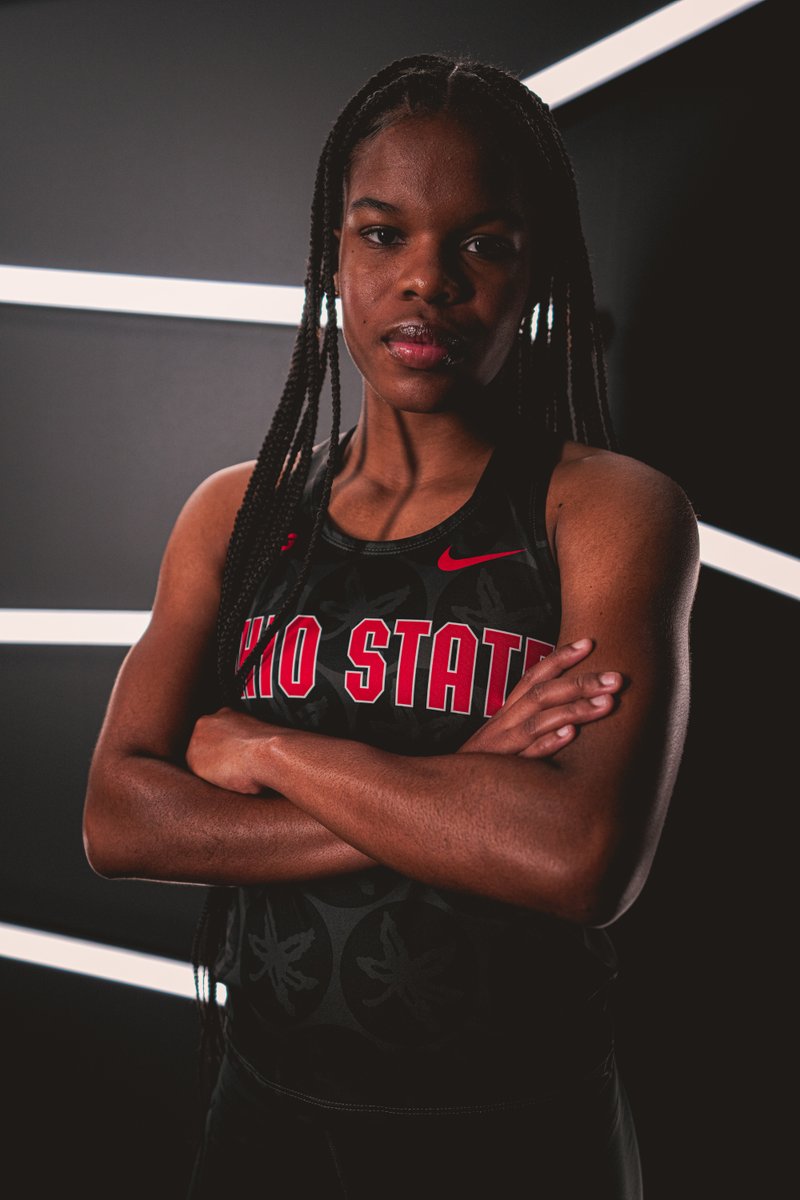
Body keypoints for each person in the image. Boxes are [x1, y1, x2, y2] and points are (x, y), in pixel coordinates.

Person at [83, 55, 698, 1199]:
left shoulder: (605, 510)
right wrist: (461, 787)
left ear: (534, 270)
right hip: (261, 1114)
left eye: (481, 242)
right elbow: (121, 818)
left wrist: (265, 751)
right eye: (382, 235)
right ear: (333, 252)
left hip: (517, 1131)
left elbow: (575, 859)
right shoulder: (237, 513)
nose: (428, 280)